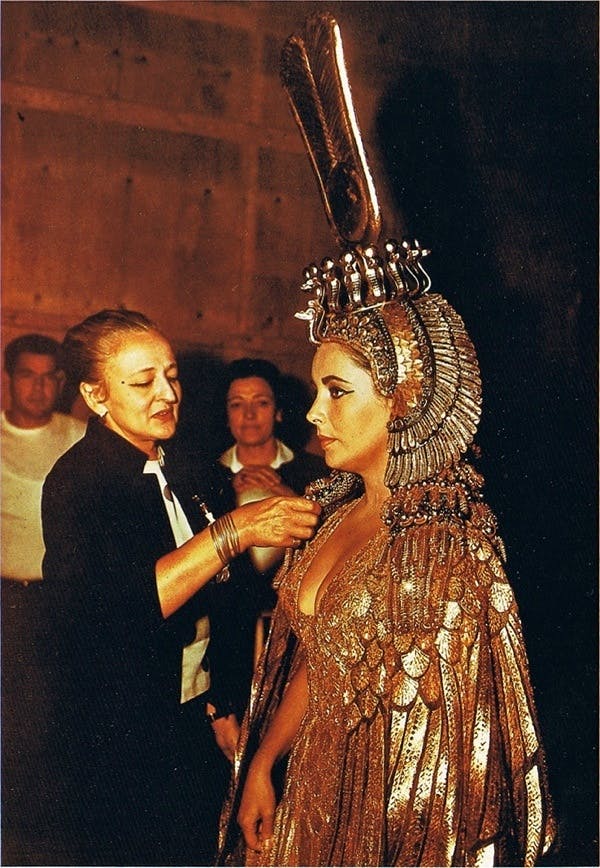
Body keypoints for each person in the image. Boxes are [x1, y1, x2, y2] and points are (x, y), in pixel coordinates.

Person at [217, 238, 556, 866]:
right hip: (307, 794)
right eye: (318, 389)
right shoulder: (330, 510)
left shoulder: (445, 553)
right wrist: (264, 762)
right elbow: (322, 661)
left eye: (337, 391)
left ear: (403, 400)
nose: (314, 411)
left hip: (379, 821)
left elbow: (453, 766)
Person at [39, 309, 320, 866]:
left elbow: (230, 600)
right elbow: (127, 608)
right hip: (117, 730)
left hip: (194, 715)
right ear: (96, 397)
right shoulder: (77, 484)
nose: (167, 393)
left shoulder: (193, 471)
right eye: (142, 382)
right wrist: (234, 530)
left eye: (171, 375)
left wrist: (221, 700)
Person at [205, 358, 327, 738]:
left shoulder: (316, 472)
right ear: (225, 415)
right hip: (225, 648)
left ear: (278, 412)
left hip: (295, 638)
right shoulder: (207, 476)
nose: (249, 414)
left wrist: (286, 496)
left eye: (260, 402)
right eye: (236, 404)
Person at [1, 333, 85, 858]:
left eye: (50, 375)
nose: (39, 386)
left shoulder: (80, 436)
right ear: (9, 379)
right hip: (2, 599)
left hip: (59, 603)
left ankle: (44, 846)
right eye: (28, 374)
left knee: (53, 722)